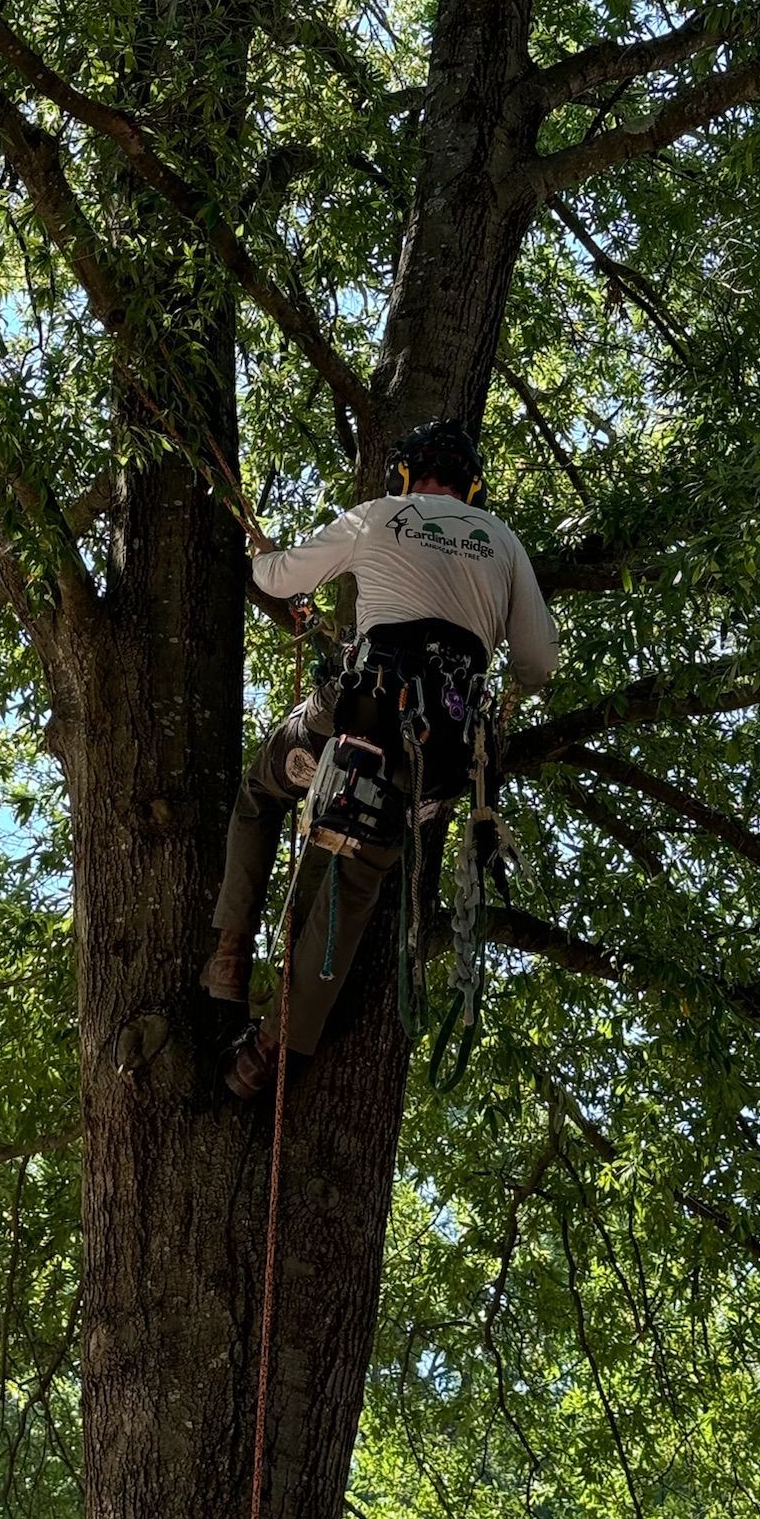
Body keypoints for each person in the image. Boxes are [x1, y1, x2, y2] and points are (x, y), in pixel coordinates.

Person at [204, 419, 559, 1099]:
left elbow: (277, 578)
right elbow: (539, 664)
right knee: (358, 878)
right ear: (471, 486)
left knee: (260, 791)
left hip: (355, 720)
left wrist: (263, 562)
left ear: (404, 474)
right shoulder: (503, 543)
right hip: (435, 755)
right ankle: (271, 1051)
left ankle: (228, 952)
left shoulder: (378, 517)